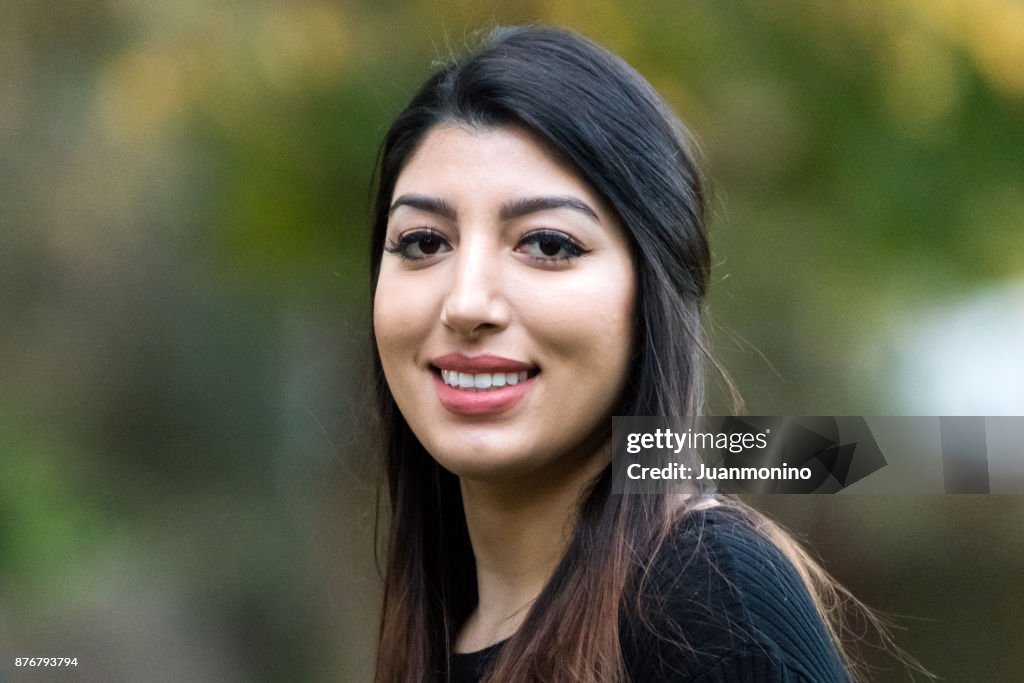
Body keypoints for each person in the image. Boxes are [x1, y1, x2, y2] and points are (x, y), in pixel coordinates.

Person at [367, 25, 897, 683]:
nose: (467, 302)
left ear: (651, 293)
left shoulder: (709, 601)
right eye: (422, 242)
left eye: (549, 245)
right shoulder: (449, 627)